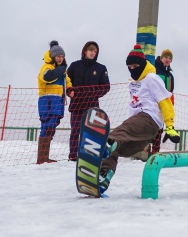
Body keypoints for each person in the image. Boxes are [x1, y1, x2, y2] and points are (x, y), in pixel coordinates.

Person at [99, 45, 180, 194]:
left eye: (135, 66)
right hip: (143, 131)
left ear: (142, 64)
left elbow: (165, 101)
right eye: (129, 66)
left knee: (115, 136)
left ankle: (106, 143)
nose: (132, 69)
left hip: (149, 118)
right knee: (116, 148)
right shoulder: (132, 83)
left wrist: (170, 125)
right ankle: (104, 175)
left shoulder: (152, 78)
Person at [66, 41, 110, 161]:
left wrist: (92, 94)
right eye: (91, 50)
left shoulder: (101, 68)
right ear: (85, 51)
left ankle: (89, 156)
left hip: (92, 106)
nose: (93, 53)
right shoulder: (74, 66)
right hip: (76, 105)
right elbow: (67, 83)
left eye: (95, 51)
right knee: (75, 131)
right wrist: (69, 92)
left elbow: (106, 87)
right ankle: (73, 156)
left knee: (92, 133)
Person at [36, 40, 72, 164]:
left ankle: (45, 157)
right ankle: (41, 158)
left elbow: (66, 81)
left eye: (62, 56)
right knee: (46, 126)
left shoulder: (62, 70)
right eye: (58, 56)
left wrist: (70, 89)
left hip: (57, 100)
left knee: (52, 127)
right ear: (53, 56)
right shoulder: (47, 67)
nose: (60, 58)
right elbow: (47, 77)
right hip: (47, 101)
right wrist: (61, 69)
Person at [151, 49, 175, 154]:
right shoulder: (154, 69)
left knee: (159, 130)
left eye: (170, 58)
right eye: (166, 57)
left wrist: (170, 104)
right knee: (150, 126)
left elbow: (170, 91)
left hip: (163, 106)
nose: (168, 60)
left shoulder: (170, 76)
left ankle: (155, 153)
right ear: (161, 58)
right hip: (153, 104)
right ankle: (144, 148)